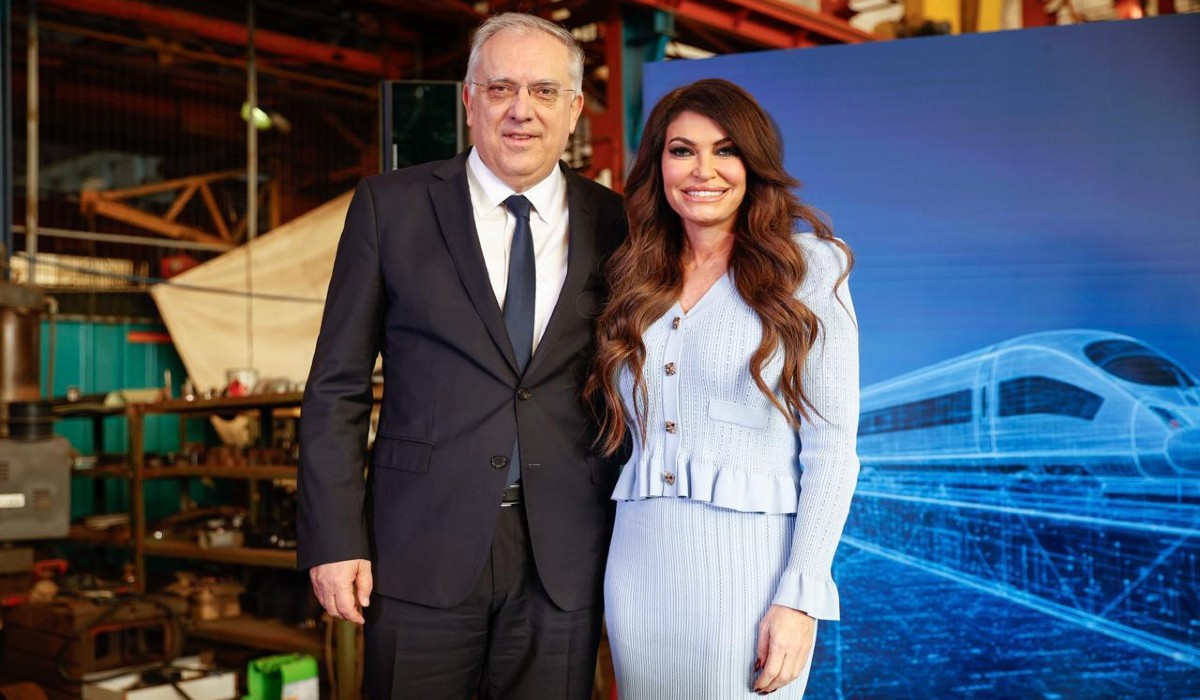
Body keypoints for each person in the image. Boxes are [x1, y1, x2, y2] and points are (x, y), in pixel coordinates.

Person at [297, 13, 626, 699]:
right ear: (470, 101)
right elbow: (337, 386)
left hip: (565, 552)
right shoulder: (390, 207)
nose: (521, 110)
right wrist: (334, 538)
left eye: (543, 91)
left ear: (573, 110)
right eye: (501, 88)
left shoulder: (617, 222)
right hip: (419, 545)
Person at [584, 78, 861, 698]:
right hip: (638, 566)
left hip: (751, 571)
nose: (702, 170)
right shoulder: (634, 275)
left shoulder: (810, 267)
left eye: (725, 150)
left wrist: (800, 597)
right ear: (658, 165)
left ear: (752, 163)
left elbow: (832, 451)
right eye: (682, 150)